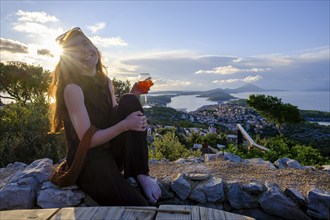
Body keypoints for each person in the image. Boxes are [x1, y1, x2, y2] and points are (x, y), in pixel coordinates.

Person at [48, 27, 161, 206]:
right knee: (138, 206)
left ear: (93, 45)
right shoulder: (73, 89)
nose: (84, 51)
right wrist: (124, 125)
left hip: (108, 152)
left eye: (85, 44)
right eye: (76, 50)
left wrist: (134, 95)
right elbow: (88, 141)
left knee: (129, 100)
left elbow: (113, 115)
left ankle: (141, 174)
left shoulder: (105, 81)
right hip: (88, 161)